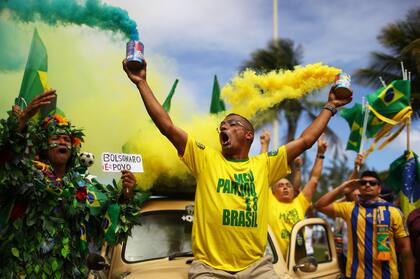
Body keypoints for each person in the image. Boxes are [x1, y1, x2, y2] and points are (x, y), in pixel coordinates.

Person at [122, 59, 351, 278]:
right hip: (209, 269)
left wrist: (330, 106)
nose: (224, 127)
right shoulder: (205, 159)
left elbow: (305, 141)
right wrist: (141, 82)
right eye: (222, 126)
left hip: (257, 268)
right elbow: (168, 127)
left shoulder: (265, 165)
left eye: (232, 124)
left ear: (248, 135)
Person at [0, 91, 147, 278]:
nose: (62, 141)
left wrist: (126, 195)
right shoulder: (27, 175)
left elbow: (110, 222)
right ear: (44, 145)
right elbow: (6, 164)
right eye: (56, 137)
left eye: (67, 139)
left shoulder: (83, 186)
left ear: (73, 148)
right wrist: (21, 122)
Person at [316, 171, 415, 279]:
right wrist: (342, 188)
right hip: (355, 275)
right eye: (363, 183)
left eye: (372, 183)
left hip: (387, 276)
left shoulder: (393, 212)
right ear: (358, 188)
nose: (367, 185)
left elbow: (405, 250)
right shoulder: (349, 208)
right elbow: (320, 205)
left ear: (379, 188)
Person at [267, 134, 328, 259]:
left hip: (297, 261)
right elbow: (263, 174)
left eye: (288, 185)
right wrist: (264, 145)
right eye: (281, 185)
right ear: (273, 191)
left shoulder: (299, 203)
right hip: (272, 262)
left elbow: (314, 179)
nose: (285, 187)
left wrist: (320, 154)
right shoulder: (268, 199)